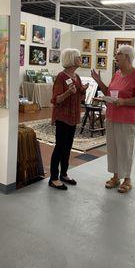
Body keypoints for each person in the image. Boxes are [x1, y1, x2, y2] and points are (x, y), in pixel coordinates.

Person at [91, 45, 135, 194]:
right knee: (113, 148)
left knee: (126, 149)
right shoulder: (117, 74)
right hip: (112, 116)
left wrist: (124, 102)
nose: (115, 57)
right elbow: (108, 92)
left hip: (128, 119)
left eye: (118, 54)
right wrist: (98, 81)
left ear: (127, 57)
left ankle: (127, 179)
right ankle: (115, 176)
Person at [49, 48, 89, 190]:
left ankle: (64, 174)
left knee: (67, 147)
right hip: (63, 117)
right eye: (78, 57)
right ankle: (53, 178)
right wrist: (67, 93)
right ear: (72, 60)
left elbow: (78, 97)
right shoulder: (61, 77)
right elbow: (55, 99)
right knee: (60, 147)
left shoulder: (76, 76)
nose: (80, 59)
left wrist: (82, 90)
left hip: (72, 116)